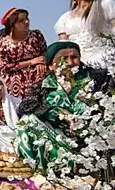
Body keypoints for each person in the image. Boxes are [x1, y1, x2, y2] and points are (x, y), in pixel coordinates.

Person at [16, 41, 107, 170]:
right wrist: (59, 114)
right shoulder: (43, 86)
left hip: (92, 141)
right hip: (59, 141)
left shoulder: (97, 80)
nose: (69, 63)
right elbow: (24, 107)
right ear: (51, 66)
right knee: (27, 121)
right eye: (62, 59)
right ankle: (39, 171)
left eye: (74, 57)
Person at [55, 0, 115, 75]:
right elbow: (63, 46)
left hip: (104, 57)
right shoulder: (64, 18)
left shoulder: (105, 4)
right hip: (77, 61)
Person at [0, 8, 48, 98]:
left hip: (38, 82)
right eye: (21, 21)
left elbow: (45, 52)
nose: (26, 22)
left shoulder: (36, 35)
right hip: (15, 87)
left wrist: (42, 61)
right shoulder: (3, 44)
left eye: (27, 18)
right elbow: (4, 67)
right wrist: (31, 62)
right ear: (12, 25)